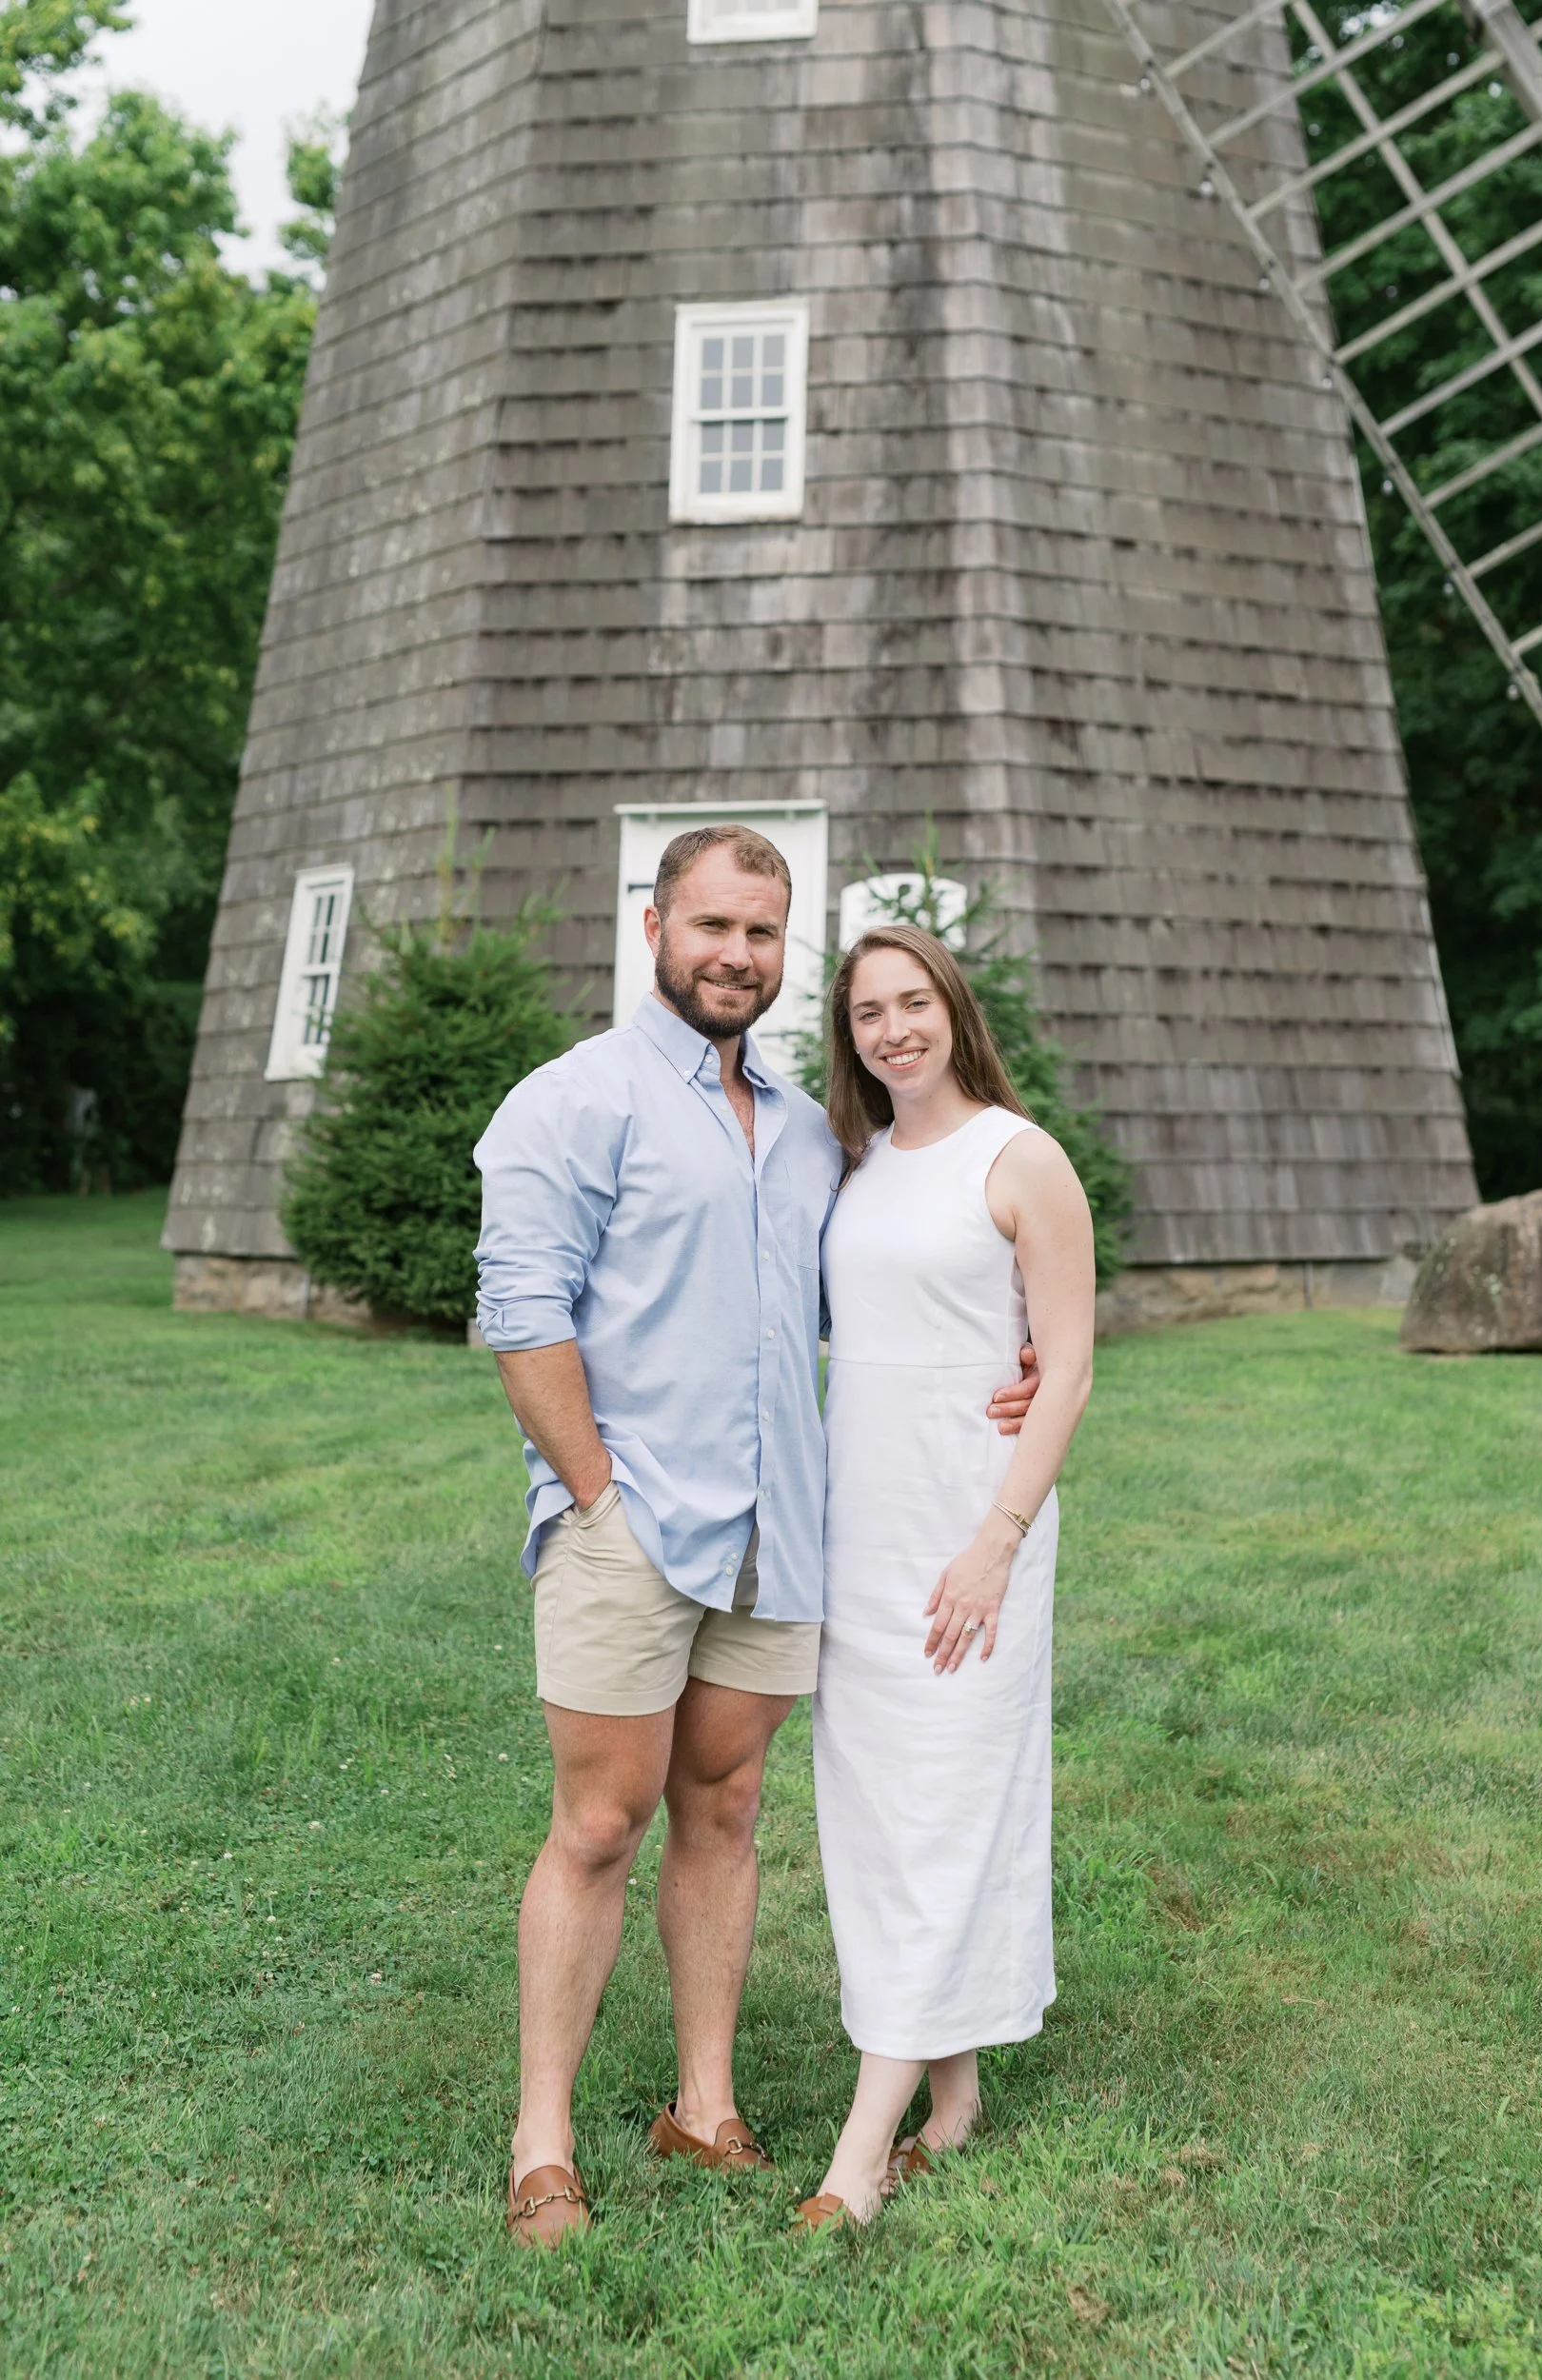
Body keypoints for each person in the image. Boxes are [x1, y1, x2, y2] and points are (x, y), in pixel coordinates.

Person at [473, 827, 1038, 2247]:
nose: (737, 956)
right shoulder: (571, 1102)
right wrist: (598, 1497)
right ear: (655, 924)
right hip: (629, 1524)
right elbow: (524, 1319)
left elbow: (870, 1297)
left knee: (723, 1806)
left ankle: (705, 2105)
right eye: (713, 926)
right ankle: (542, 2142)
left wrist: (1020, 1344)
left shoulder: (802, 1134)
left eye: (763, 934)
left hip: (780, 1535)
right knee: (599, 1822)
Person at [796, 923, 1096, 2231]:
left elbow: (1065, 1368)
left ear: (953, 1008)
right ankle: (953, 2094)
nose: (892, 1030)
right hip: (856, 1532)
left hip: (970, 1530)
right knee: (877, 1817)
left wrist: (996, 1539)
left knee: (949, 1804)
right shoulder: (855, 1164)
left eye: (912, 1002)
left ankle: (857, 2155)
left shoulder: (1020, 1160)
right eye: (868, 1013)